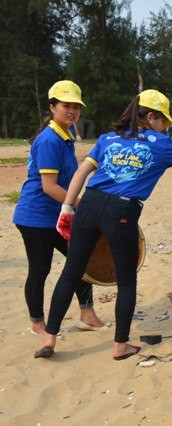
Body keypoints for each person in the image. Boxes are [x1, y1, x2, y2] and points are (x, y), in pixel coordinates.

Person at [35, 89, 172, 360]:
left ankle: (49, 338)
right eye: (163, 121)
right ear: (151, 117)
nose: (164, 127)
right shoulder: (161, 143)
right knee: (126, 280)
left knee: (71, 272)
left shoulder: (108, 138)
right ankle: (120, 345)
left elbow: (82, 171)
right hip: (122, 210)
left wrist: (67, 208)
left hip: (89, 204)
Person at [13, 80, 105, 337]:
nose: (72, 111)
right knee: (40, 269)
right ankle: (38, 324)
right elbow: (49, 187)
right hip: (36, 217)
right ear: (53, 107)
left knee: (81, 261)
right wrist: (82, 204)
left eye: (76, 106)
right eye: (66, 105)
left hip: (59, 214)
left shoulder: (65, 138)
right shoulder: (50, 140)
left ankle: (87, 314)